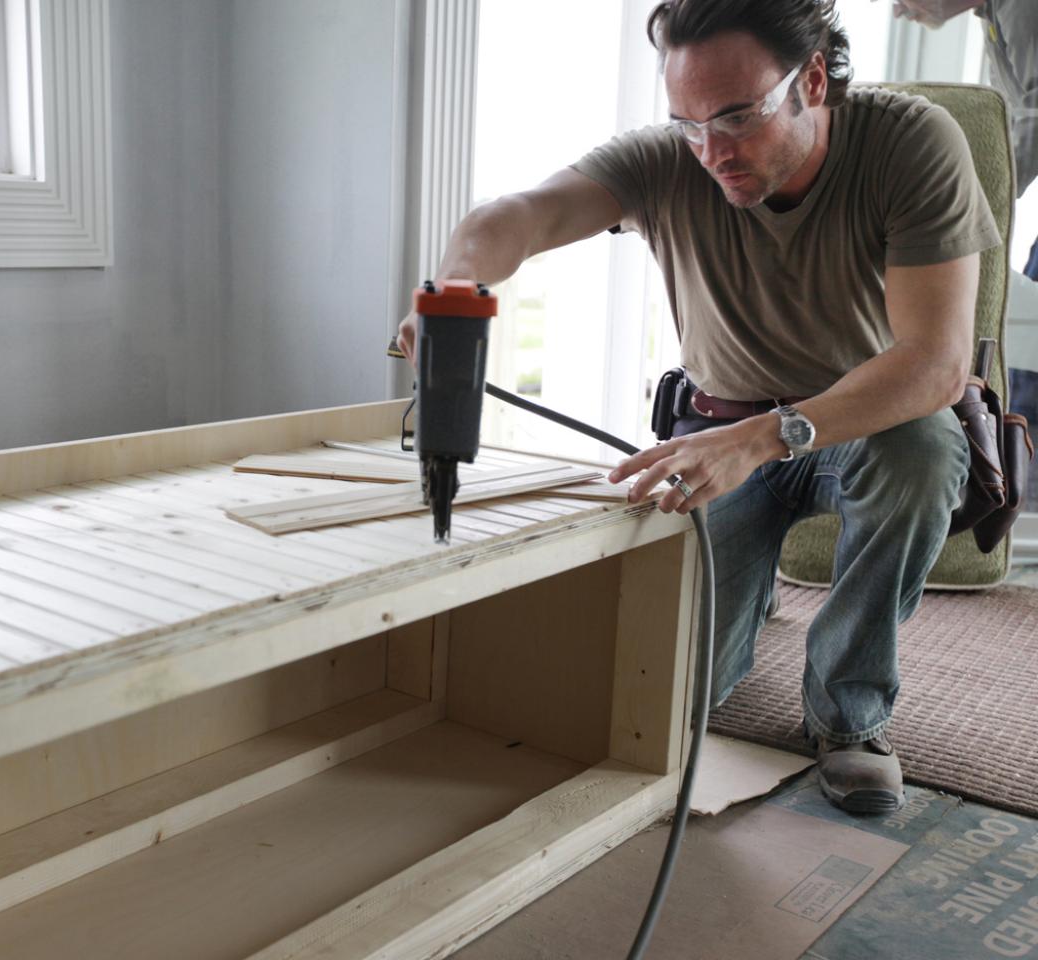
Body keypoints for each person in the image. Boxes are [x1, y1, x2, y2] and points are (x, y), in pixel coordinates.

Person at [396, 0, 1001, 813]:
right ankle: (746, 606)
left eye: (737, 117)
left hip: (867, 429)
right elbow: (520, 214)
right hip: (715, 432)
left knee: (920, 457)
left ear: (813, 78)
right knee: (662, 702)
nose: (711, 151)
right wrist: (459, 286)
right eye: (686, 121)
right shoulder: (672, 158)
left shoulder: (908, 142)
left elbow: (935, 365)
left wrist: (767, 438)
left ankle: (849, 716)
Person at [888, 0, 1038, 277]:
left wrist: (979, 192)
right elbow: (1010, 115)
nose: (898, 10)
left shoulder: (1020, 7)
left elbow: (1036, 114)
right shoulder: (992, 14)